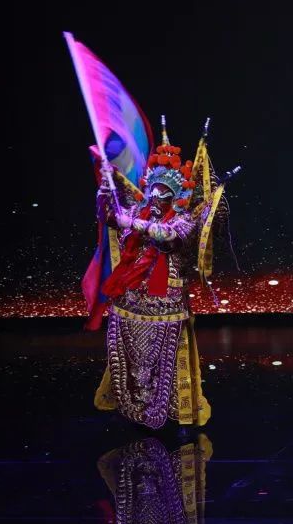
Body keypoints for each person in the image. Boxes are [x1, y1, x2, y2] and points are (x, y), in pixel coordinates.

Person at [90, 118, 233, 428]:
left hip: (166, 302)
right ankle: (131, 405)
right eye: (152, 194)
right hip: (129, 299)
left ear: (174, 196)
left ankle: (173, 411)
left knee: (168, 359)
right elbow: (112, 218)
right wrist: (104, 193)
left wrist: (134, 224)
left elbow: (166, 237)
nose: (155, 200)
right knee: (129, 357)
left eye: (163, 195)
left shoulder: (184, 220)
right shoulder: (137, 211)